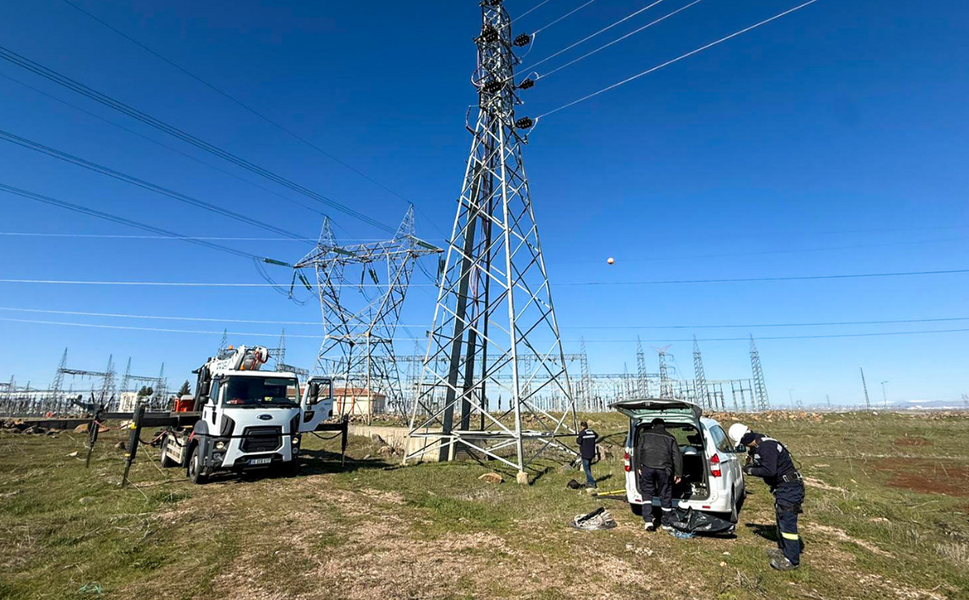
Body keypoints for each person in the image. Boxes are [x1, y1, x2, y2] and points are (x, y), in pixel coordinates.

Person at [728, 423, 805, 571]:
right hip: (784, 487)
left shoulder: (766, 447)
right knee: (781, 519)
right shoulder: (761, 442)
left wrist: (750, 471)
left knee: (787, 523)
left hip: (789, 488)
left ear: (745, 439)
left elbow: (769, 471)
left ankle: (792, 560)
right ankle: (784, 550)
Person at [636, 418, 683, 531]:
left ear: (653, 425)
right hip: (664, 469)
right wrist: (678, 473)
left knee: (647, 493)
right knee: (665, 494)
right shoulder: (670, 437)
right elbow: (677, 456)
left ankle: (648, 521)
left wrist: (638, 466)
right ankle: (666, 524)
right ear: (663, 426)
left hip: (647, 467)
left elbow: (638, 450)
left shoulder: (645, 435)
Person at [576, 421, 598, 488]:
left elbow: (578, 442)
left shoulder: (582, 433)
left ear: (582, 426)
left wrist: (579, 437)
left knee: (586, 468)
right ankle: (588, 481)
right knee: (588, 467)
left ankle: (592, 482)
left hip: (585, 453)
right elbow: (597, 436)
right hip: (591, 453)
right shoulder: (592, 432)